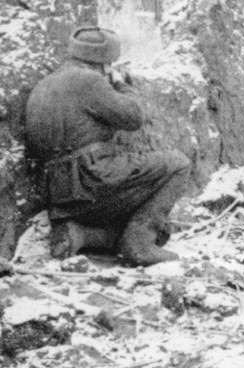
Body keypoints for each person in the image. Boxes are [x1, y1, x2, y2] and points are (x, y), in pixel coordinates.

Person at [24, 26, 191, 266]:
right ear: (103, 61)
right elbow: (134, 117)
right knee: (178, 164)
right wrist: (122, 84)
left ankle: (79, 234)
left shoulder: (45, 84)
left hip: (59, 194)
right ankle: (140, 246)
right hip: (90, 181)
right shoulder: (89, 81)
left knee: (161, 232)